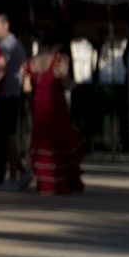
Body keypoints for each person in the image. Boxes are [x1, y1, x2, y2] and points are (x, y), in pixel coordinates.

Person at [21, 28, 83, 195]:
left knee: (41, 140)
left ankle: (44, 184)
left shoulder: (30, 62)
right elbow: (64, 82)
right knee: (59, 140)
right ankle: (60, 183)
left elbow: (26, 88)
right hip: (56, 104)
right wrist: (72, 85)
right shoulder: (59, 60)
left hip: (38, 104)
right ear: (57, 45)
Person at [0, 14, 26, 190]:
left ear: (6, 25)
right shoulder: (15, 44)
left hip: (6, 94)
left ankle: (12, 176)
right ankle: (20, 171)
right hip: (11, 93)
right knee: (6, 135)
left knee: (7, 135)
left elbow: (0, 67)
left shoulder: (6, 45)